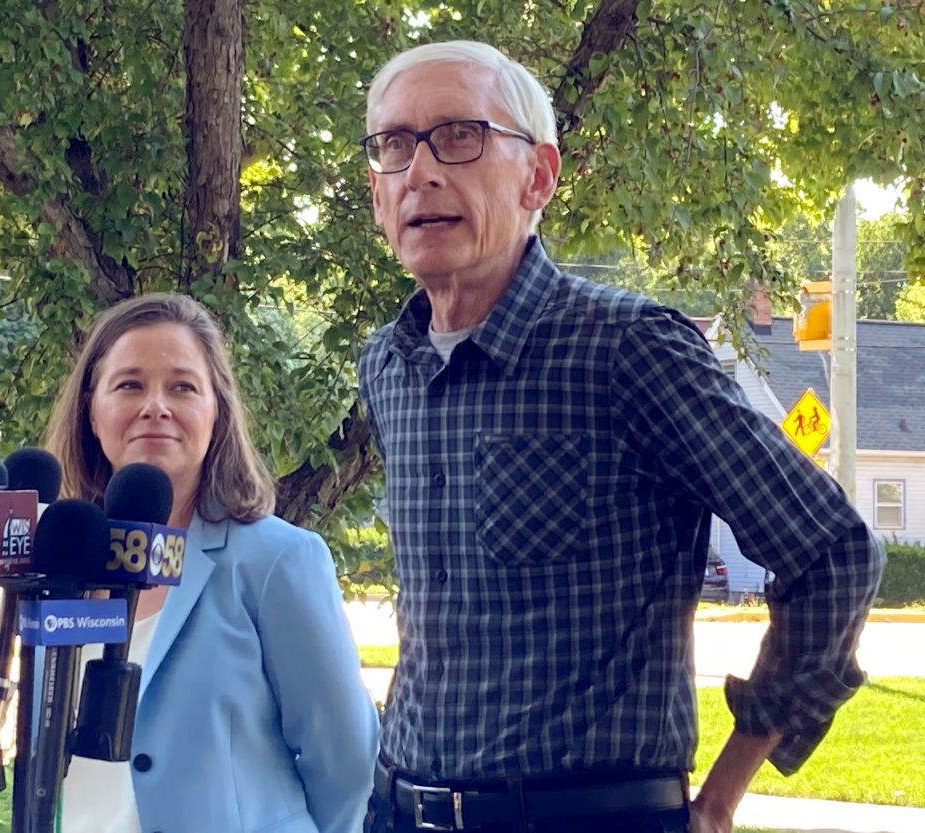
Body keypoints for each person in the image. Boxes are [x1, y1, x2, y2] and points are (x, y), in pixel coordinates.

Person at [356, 40, 884, 833]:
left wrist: (722, 795)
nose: (421, 171)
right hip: (398, 809)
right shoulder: (387, 365)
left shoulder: (629, 351)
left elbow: (834, 550)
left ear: (539, 175)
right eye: (395, 145)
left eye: (459, 136)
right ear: (376, 192)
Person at [44, 293, 379, 833]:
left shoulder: (276, 561)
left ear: (215, 411)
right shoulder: (61, 570)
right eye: (129, 384)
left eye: (183, 386)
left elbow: (348, 763)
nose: (156, 405)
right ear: (92, 411)